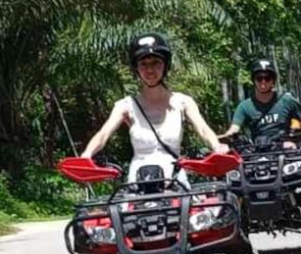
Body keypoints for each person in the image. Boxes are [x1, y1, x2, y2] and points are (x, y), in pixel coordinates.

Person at [80, 32, 227, 181]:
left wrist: (217, 146)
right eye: (144, 64)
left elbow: (202, 128)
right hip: (138, 180)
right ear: (136, 68)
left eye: (156, 63)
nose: (150, 70)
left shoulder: (183, 102)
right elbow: (104, 133)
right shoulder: (125, 105)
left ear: (165, 65)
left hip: (175, 179)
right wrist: (87, 154)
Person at [220, 59, 301, 142]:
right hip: (258, 151)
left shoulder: (287, 101)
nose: (263, 82)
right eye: (259, 78)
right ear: (254, 80)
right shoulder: (244, 107)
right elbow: (234, 129)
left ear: (273, 81)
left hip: (287, 150)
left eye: (267, 78)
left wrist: (296, 138)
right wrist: (219, 139)